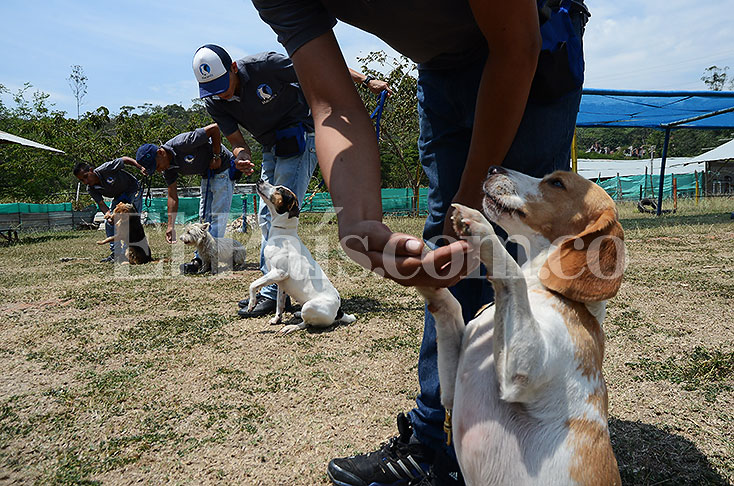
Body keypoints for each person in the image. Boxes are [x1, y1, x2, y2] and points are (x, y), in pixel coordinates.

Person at [250, 0, 589, 485]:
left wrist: (471, 205)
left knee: (516, 244)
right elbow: (331, 106)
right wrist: (357, 218)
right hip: (440, 68)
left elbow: (516, 47)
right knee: (449, 257)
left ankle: (527, 445)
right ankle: (437, 441)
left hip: (533, 39)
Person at [192, 44, 391, 317]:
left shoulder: (266, 65)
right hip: (269, 146)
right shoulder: (215, 100)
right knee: (265, 216)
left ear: (234, 68)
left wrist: (366, 80)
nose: (220, 93)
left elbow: (320, 69)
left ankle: (272, 293)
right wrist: (240, 157)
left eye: (222, 84)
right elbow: (237, 142)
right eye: (212, 89)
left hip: (300, 136)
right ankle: (273, 291)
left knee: (272, 216)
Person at [135, 124, 235, 274]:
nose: (158, 170)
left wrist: (216, 156)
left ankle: (208, 258)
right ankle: (202, 259)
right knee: (204, 218)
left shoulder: (183, 142)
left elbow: (215, 129)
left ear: (161, 153)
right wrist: (170, 226)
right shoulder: (167, 169)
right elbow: (172, 196)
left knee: (217, 216)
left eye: (156, 166)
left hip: (223, 168)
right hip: (207, 174)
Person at [73, 158, 146, 262]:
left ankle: (128, 253)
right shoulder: (91, 189)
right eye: (81, 180)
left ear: (91, 170)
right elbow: (101, 204)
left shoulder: (106, 168)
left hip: (132, 189)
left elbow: (125, 159)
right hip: (118, 196)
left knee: (131, 221)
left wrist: (140, 167)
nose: (85, 182)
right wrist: (108, 215)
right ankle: (116, 253)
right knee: (109, 223)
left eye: (86, 177)